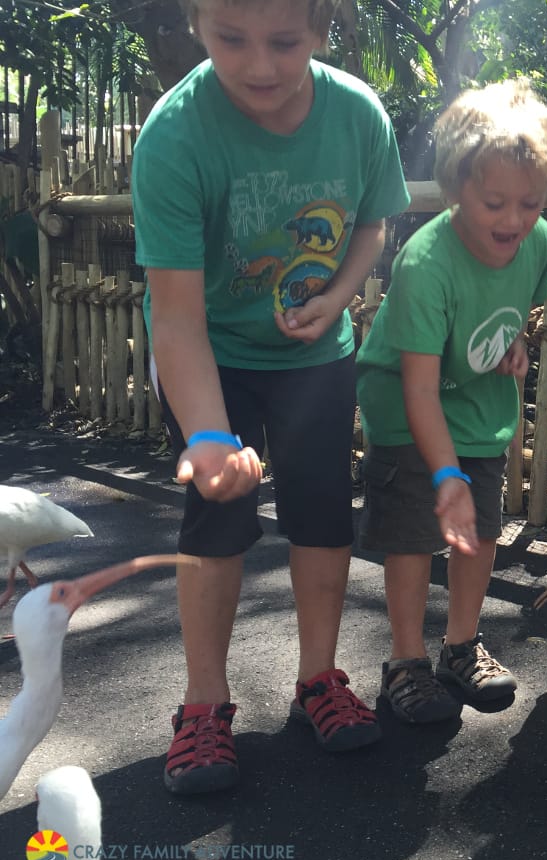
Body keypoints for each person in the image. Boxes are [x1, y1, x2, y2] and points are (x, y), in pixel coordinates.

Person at [131, 0, 410, 794]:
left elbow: (370, 228)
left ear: (325, 28)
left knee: (321, 512)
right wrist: (211, 441)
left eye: (284, 42)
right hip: (210, 351)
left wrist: (342, 296)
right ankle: (203, 707)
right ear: (196, 22)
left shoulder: (357, 114)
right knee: (216, 512)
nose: (259, 66)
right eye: (231, 39)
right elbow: (177, 320)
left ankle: (319, 680)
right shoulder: (175, 135)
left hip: (313, 350)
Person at [356, 79, 547, 723]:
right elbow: (417, 384)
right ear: (454, 191)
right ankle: (406, 662)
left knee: (477, 534)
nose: (513, 220)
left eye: (529, 202)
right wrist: (443, 472)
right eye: (494, 201)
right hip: (404, 407)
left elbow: (504, 315)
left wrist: (514, 348)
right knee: (416, 534)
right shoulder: (426, 262)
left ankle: (462, 646)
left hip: (476, 402)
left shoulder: (540, 241)